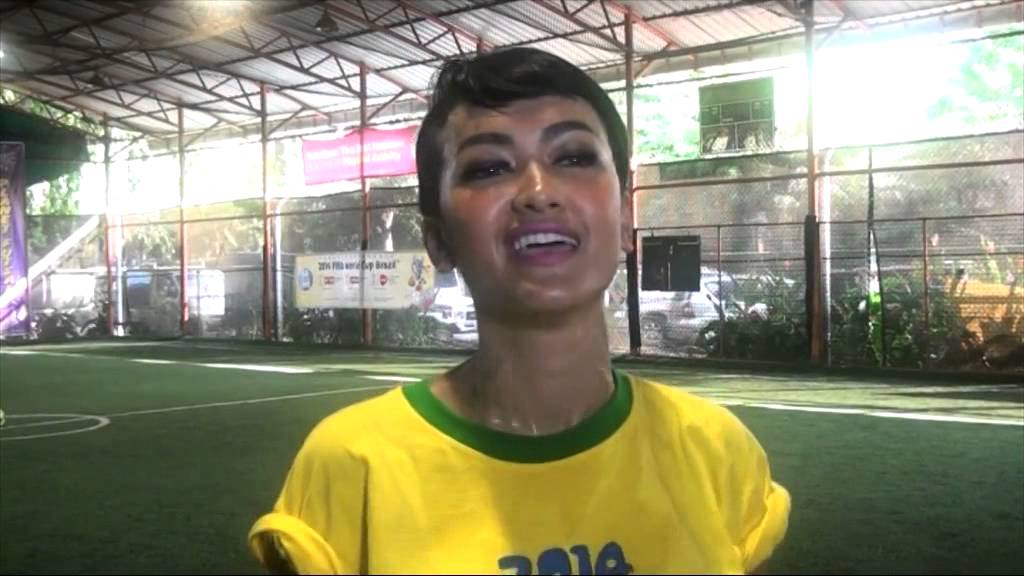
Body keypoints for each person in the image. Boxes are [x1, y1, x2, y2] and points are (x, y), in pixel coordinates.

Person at [248, 47, 790, 575]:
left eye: (573, 157)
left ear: (626, 217)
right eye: (488, 168)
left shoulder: (716, 452)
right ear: (438, 239)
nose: (538, 192)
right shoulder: (349, 465)